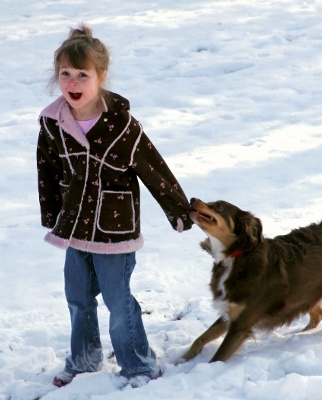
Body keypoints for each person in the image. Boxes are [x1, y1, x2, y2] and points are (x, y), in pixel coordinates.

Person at [36, 24, 192, 388]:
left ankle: (138, 364)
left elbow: (154, 168)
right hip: (74, 226)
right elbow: (47, 169)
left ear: (101, 77)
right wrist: (52, 214)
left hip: (114, 227)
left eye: (82, 75)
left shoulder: (122, 125)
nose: (73, 83)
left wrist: (179, 210)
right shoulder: (52, 122)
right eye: (65, 74)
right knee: (78, 298)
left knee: (118, 301)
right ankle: (85, 359)